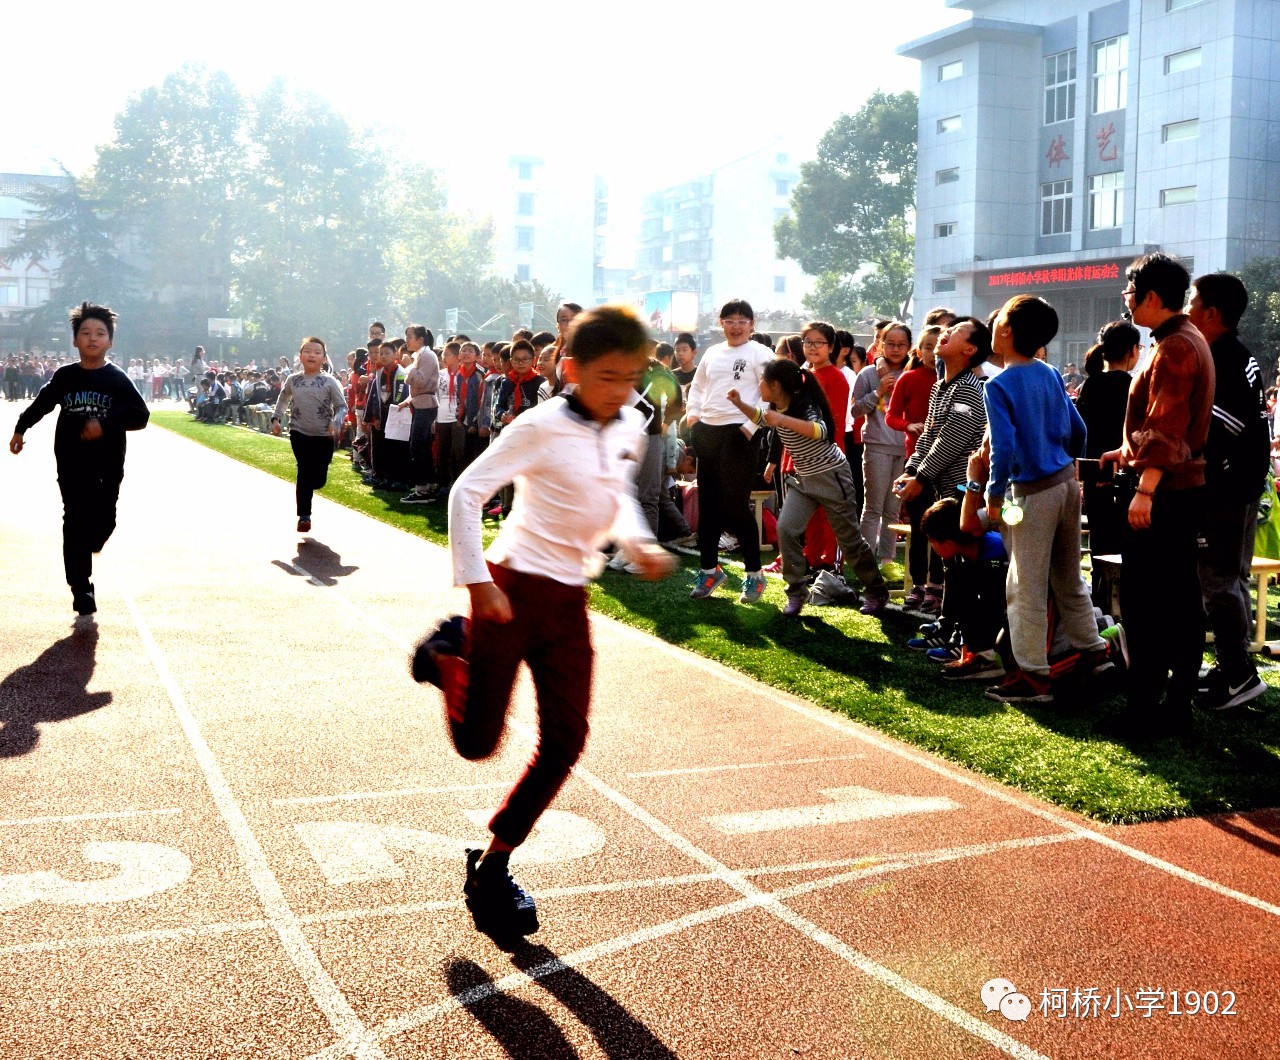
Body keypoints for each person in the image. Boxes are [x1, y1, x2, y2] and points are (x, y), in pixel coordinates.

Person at [412, 304, 675, 941]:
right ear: (572, 369)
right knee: (478, 745)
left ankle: (494, 865)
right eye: (608, 377)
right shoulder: (539, 425)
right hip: (508, 589)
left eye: (633, 377)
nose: (622, 391)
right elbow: (466, 492)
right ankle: (453, 652)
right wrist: (476, 580)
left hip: (568, 600)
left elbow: (617, 499)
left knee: (565, 740)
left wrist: (637, 542)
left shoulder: (631, 425)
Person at [1100, 254, 1215, 739]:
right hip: (1176, 488)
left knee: (1149, 602)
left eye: (1129, 294)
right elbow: (1164, 426)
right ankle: (1175, 703)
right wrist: (1124, 453)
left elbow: (1166, 427)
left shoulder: (1174, 348)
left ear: (1150, 296)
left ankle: (1146, 707)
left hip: (1164, 493)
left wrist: (1144, 488)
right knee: (1180, 598)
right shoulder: (1183, 341)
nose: (1126, 303)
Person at [984, 294, 1110, 704]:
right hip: (1066, 484)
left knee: (1025, 586)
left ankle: (1033, 677)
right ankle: (1094, 653)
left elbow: (1002, 448)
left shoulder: (999, 384)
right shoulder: (1051, 372)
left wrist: (992, 493)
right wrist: (1067, 465)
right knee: (1069, 575)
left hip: (1030, 494)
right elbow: (1079, 430)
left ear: (1005, 330)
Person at [9, 301, 149, 615]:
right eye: (85, 332)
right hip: (71, 461)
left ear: (110, 341)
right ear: (75, 340)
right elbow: (43, 402)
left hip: (108, 463)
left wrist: (106, 423)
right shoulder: (65, 376)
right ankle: (81, 588)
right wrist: (21, 428)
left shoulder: (116, 379)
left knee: (102, 522)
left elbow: (141, 415)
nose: (92, 338)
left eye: (100, 333)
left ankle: (93, 541)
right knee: (73, 520)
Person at [728, 358, 889, 618]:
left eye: (763, 380)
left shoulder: (806, 406)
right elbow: (762, 418)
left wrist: (782, 418)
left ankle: (876, 590)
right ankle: (796, 591)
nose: (759, 384)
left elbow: (820, 430)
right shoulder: (774, 405)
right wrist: (738, 403)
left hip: (832, 477)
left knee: (849, 541)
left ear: (776, 385)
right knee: (786, 529)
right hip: (804, 480)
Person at [1187, 272, 1270, 711]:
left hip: (1227, 486)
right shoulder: (1234, 353)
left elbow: (1220, 429)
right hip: (1242, 484)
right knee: (1230, 580)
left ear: (1211, 313)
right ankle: (1234, 670)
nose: (1187, 308)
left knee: (1218, 581)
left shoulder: (1224, 358)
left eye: (1192, 301)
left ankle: (1237, 673)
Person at [895, 318, 991, 617]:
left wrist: (921, 476)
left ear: (970, 349)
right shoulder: (942, 386)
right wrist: (911, 470)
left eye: (956, 332)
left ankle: (956, 618)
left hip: (964, 488)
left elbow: (953, 438)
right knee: (941, 544)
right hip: (942, 485)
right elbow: (930, 434)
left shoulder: (970, 388)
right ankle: (944, 611)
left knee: (959, 553)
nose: (945, 333)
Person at [685, 299, 775, 603]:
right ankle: (709, 570)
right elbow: (696, 388)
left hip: (739, 432)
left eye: (742, 321)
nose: (736, 326)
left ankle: (754, 576)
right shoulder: (712, 353)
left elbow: (772, 394)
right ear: (720, 322)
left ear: (752, 324)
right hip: (707, 431)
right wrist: (694, 416)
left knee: (736, 507)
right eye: (730, 320)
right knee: (708, 506)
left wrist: (751, 428)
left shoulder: (761, 354)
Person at [1074, 321, 1140, 570]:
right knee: (1128, 548)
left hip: (1095, 477)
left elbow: (1081, 433)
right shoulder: (1134, 386)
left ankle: (1101, 602)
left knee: (1101, 545)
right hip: (1128, 478)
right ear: (1133, 350)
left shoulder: (1090, 386)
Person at [887, 324, 944, 611]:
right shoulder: (908, 379)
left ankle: (938, 586)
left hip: (947, 468)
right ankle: (918, 585)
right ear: (918, 351)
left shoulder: (954, 381)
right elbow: (891, 416)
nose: (933, 352)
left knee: (942, 528)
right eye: (927, 347)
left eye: (938, 346)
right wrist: (908, 425)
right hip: (917, 465)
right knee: (919, 527)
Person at [271, 337, 347, 533]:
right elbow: (283, 399)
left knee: (318, 479)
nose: (311, 354)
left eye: (316, 352)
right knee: (303, 470)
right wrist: (276, 419)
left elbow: (342, 407)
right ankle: (304, 516)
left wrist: (335, 422)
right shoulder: (293, 380)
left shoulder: (330, 382)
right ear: (300, 356)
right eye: (307, 351)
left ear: (323, 358)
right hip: (299, 432)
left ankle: (314, 484)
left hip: (323, 435)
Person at [854, 322, 911, 569]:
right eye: (890, 344)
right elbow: (855, 410)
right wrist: (878, 392)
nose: (896, 349)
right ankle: (867, 562)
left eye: (901, 345)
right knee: (873, 507)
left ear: (910, 347)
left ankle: (887, 561)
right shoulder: (868, 374)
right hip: (877, 445)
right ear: (880, 344)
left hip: (906, 449)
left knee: (893, 509)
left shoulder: (914, 372)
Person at [401, 326, 439, 504]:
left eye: (410, 337)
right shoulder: (421, 356)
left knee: (418, 447)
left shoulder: (427, 356)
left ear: (421, 339)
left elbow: (422, 381)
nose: (407, 340)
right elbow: (419, 387)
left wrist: (409, 367)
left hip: (426, 406)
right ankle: (429, 485)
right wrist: (408, 400)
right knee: (420, 447)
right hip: (420, 404)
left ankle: (423, 489)